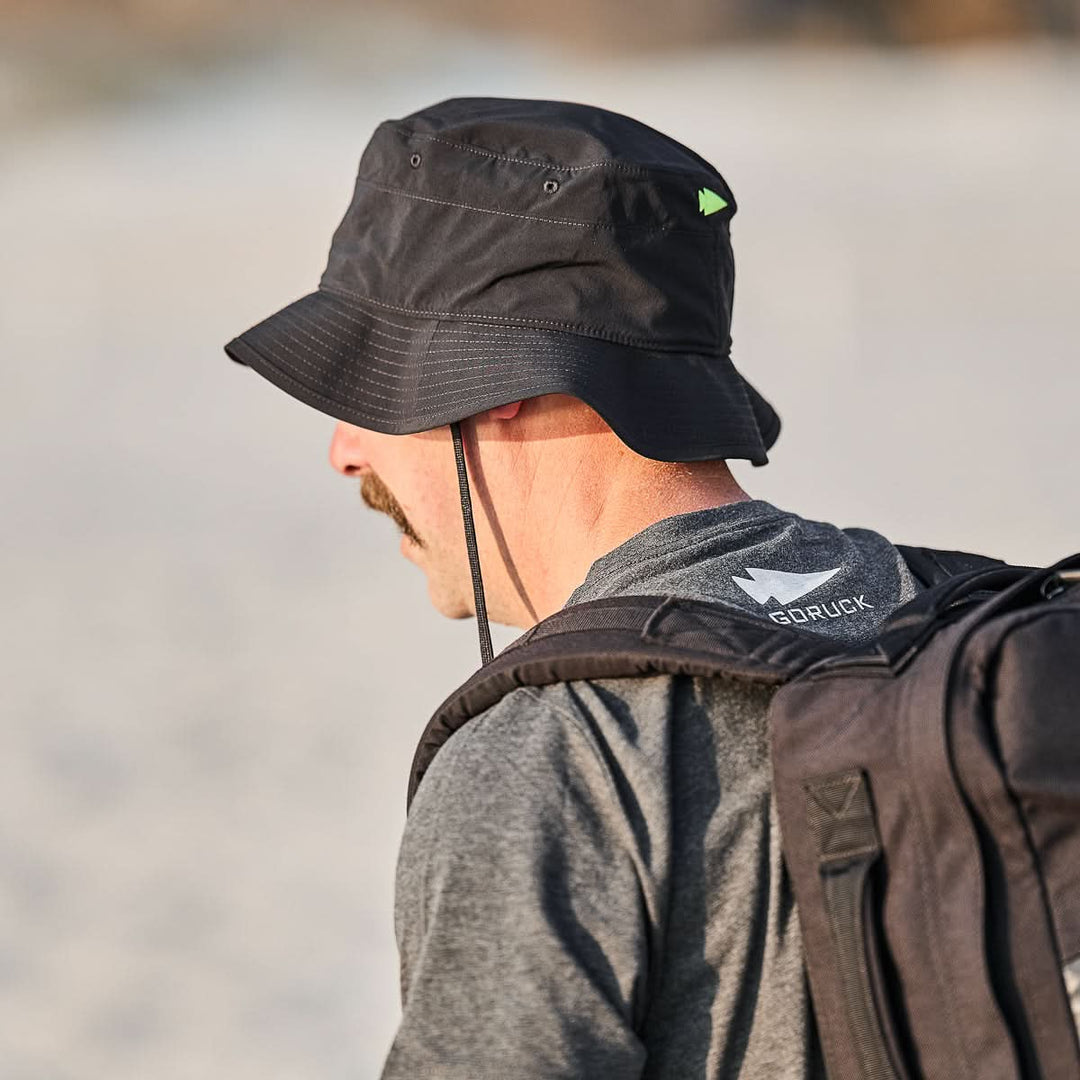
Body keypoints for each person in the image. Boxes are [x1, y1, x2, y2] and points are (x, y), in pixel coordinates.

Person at [226, 97, 922, 1078]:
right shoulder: (960, 610)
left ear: (497, 378)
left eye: (369, 391)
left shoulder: (551, 756)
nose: (343, 451)